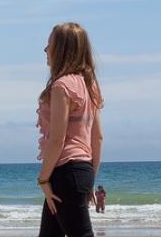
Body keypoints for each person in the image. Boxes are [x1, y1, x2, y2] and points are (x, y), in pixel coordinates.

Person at [36, 23, 104, 237]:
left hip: (65, 172)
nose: (45, 50)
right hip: (81, 171)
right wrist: (90, 178)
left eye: (50, 45)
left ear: (62, 50)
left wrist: (43, 180)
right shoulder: (89, 84)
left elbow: (58, 139)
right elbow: (98, 138)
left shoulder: (61, 86)